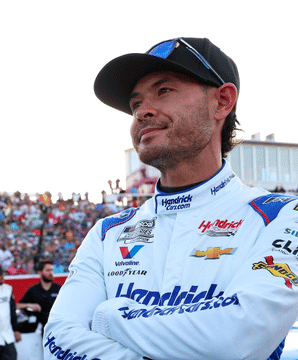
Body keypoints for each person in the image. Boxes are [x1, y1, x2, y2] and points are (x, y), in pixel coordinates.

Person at [44, 37, 298, 360]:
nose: (142, 112)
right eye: (135, 104)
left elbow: (232, 339)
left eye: (164, 91)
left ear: (222, 102)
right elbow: (58, 342)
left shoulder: (283, 218)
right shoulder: (106, 234)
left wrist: (110, 317)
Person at [16, 259, 61, 329]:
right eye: (48, 270)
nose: (51, 273)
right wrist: (30, 305)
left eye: (52, 270)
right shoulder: (34, 290)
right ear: (40, 272)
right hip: (40, 328)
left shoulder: (59, 289)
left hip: (58, 326)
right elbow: (17, 305)